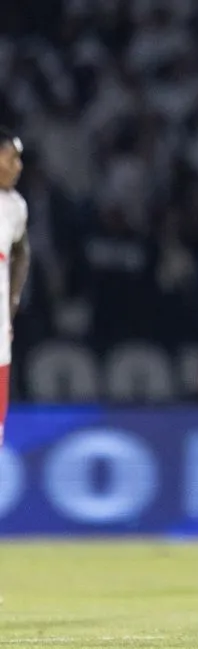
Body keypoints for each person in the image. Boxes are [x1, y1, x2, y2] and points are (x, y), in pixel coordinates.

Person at [0, 129, 30, 446]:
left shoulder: (15, 208)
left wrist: (13, 299)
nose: (18, 166)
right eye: (10, 158)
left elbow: (22, 252)